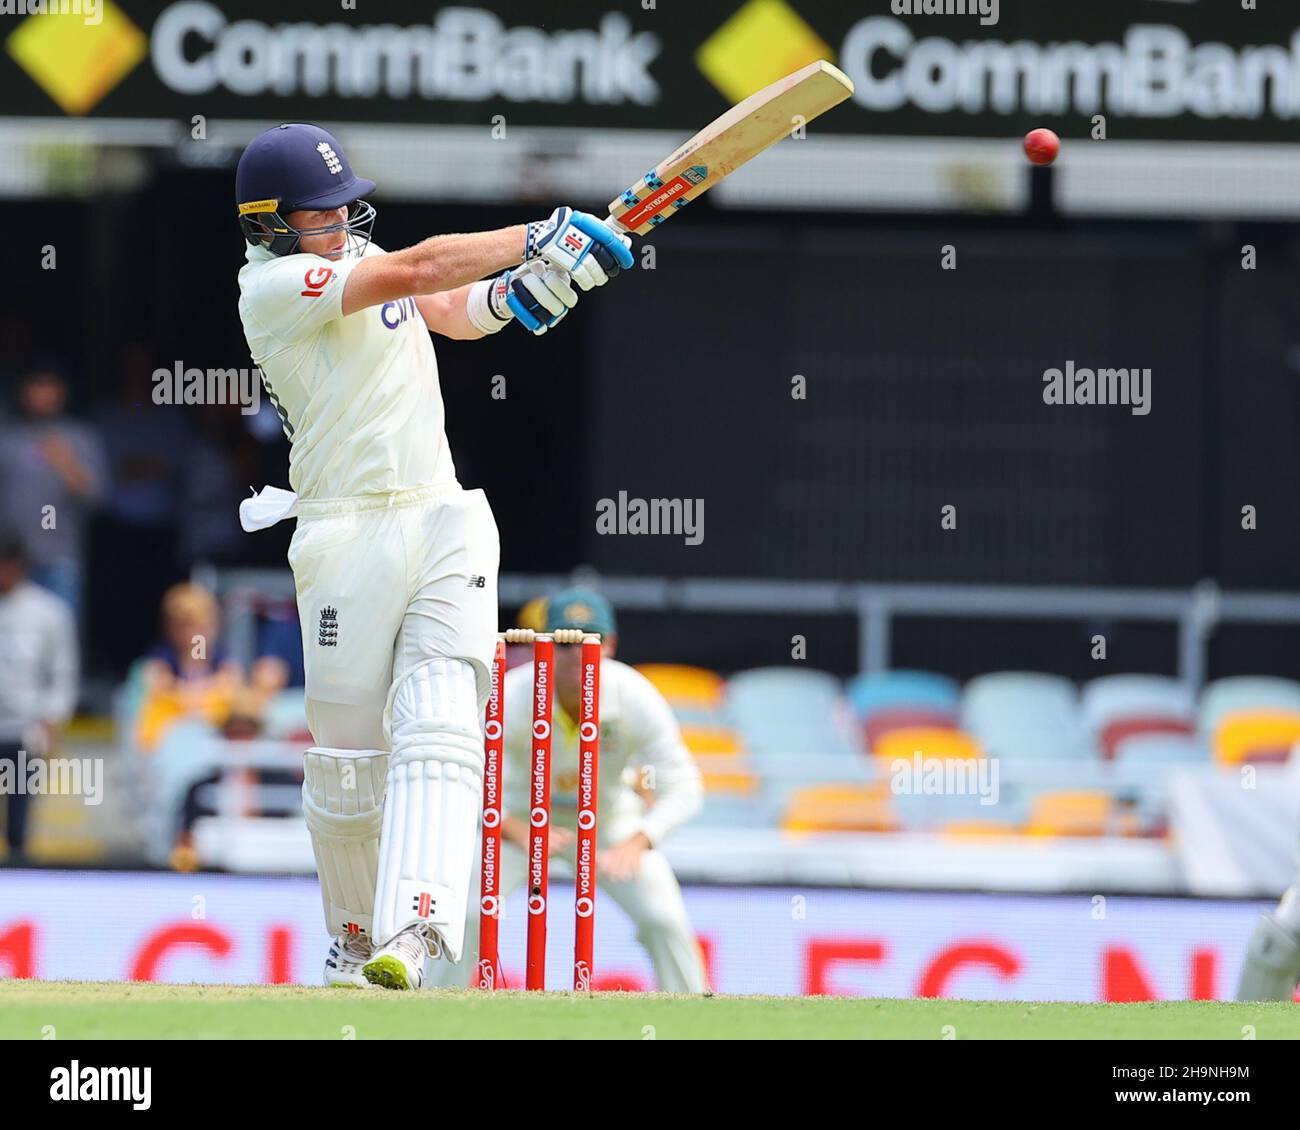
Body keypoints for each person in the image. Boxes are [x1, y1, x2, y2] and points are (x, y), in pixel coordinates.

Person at [233, 123, 634, 989]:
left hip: (441, 514)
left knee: (443, 721)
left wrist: (524, 290)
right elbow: (419, 271)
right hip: (344, 533)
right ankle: (353, 933)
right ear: (268, 223)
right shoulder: (271, 288)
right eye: (319, 215)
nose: (341, 224)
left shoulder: (354, 256)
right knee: (349, 761)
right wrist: (542, 234)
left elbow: (447, 309)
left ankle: (416, 929)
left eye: (344, 208)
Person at [432, 588, 709, 992]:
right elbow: (462, 777)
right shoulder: (513, 694)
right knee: (469, 912)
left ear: (610, 645)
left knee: (663, 918)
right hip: (522, 821)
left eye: (590, 641)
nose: (577, 654)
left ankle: (693, 1013)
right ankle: (434, 1004)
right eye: (564, 643)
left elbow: (685, 786)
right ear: (542, 644)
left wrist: (639, 840)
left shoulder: (634, 695)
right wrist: (512, 828)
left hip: (608, 825)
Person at [0, 364, 108, 617]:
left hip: (59, 557)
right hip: (10, 561)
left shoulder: (80, 437)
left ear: (62, 392)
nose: (42, 394)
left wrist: (67, 463)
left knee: (60, 627)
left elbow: (99, 499)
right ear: (22, 391)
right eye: (36, 385)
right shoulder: (7, 438)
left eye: (49, 386)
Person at [0, 529, 78, 863]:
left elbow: (62, 673)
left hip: (24, 729)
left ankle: (17, 873)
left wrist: (50, 720)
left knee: (19, 822)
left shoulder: (48, 612)